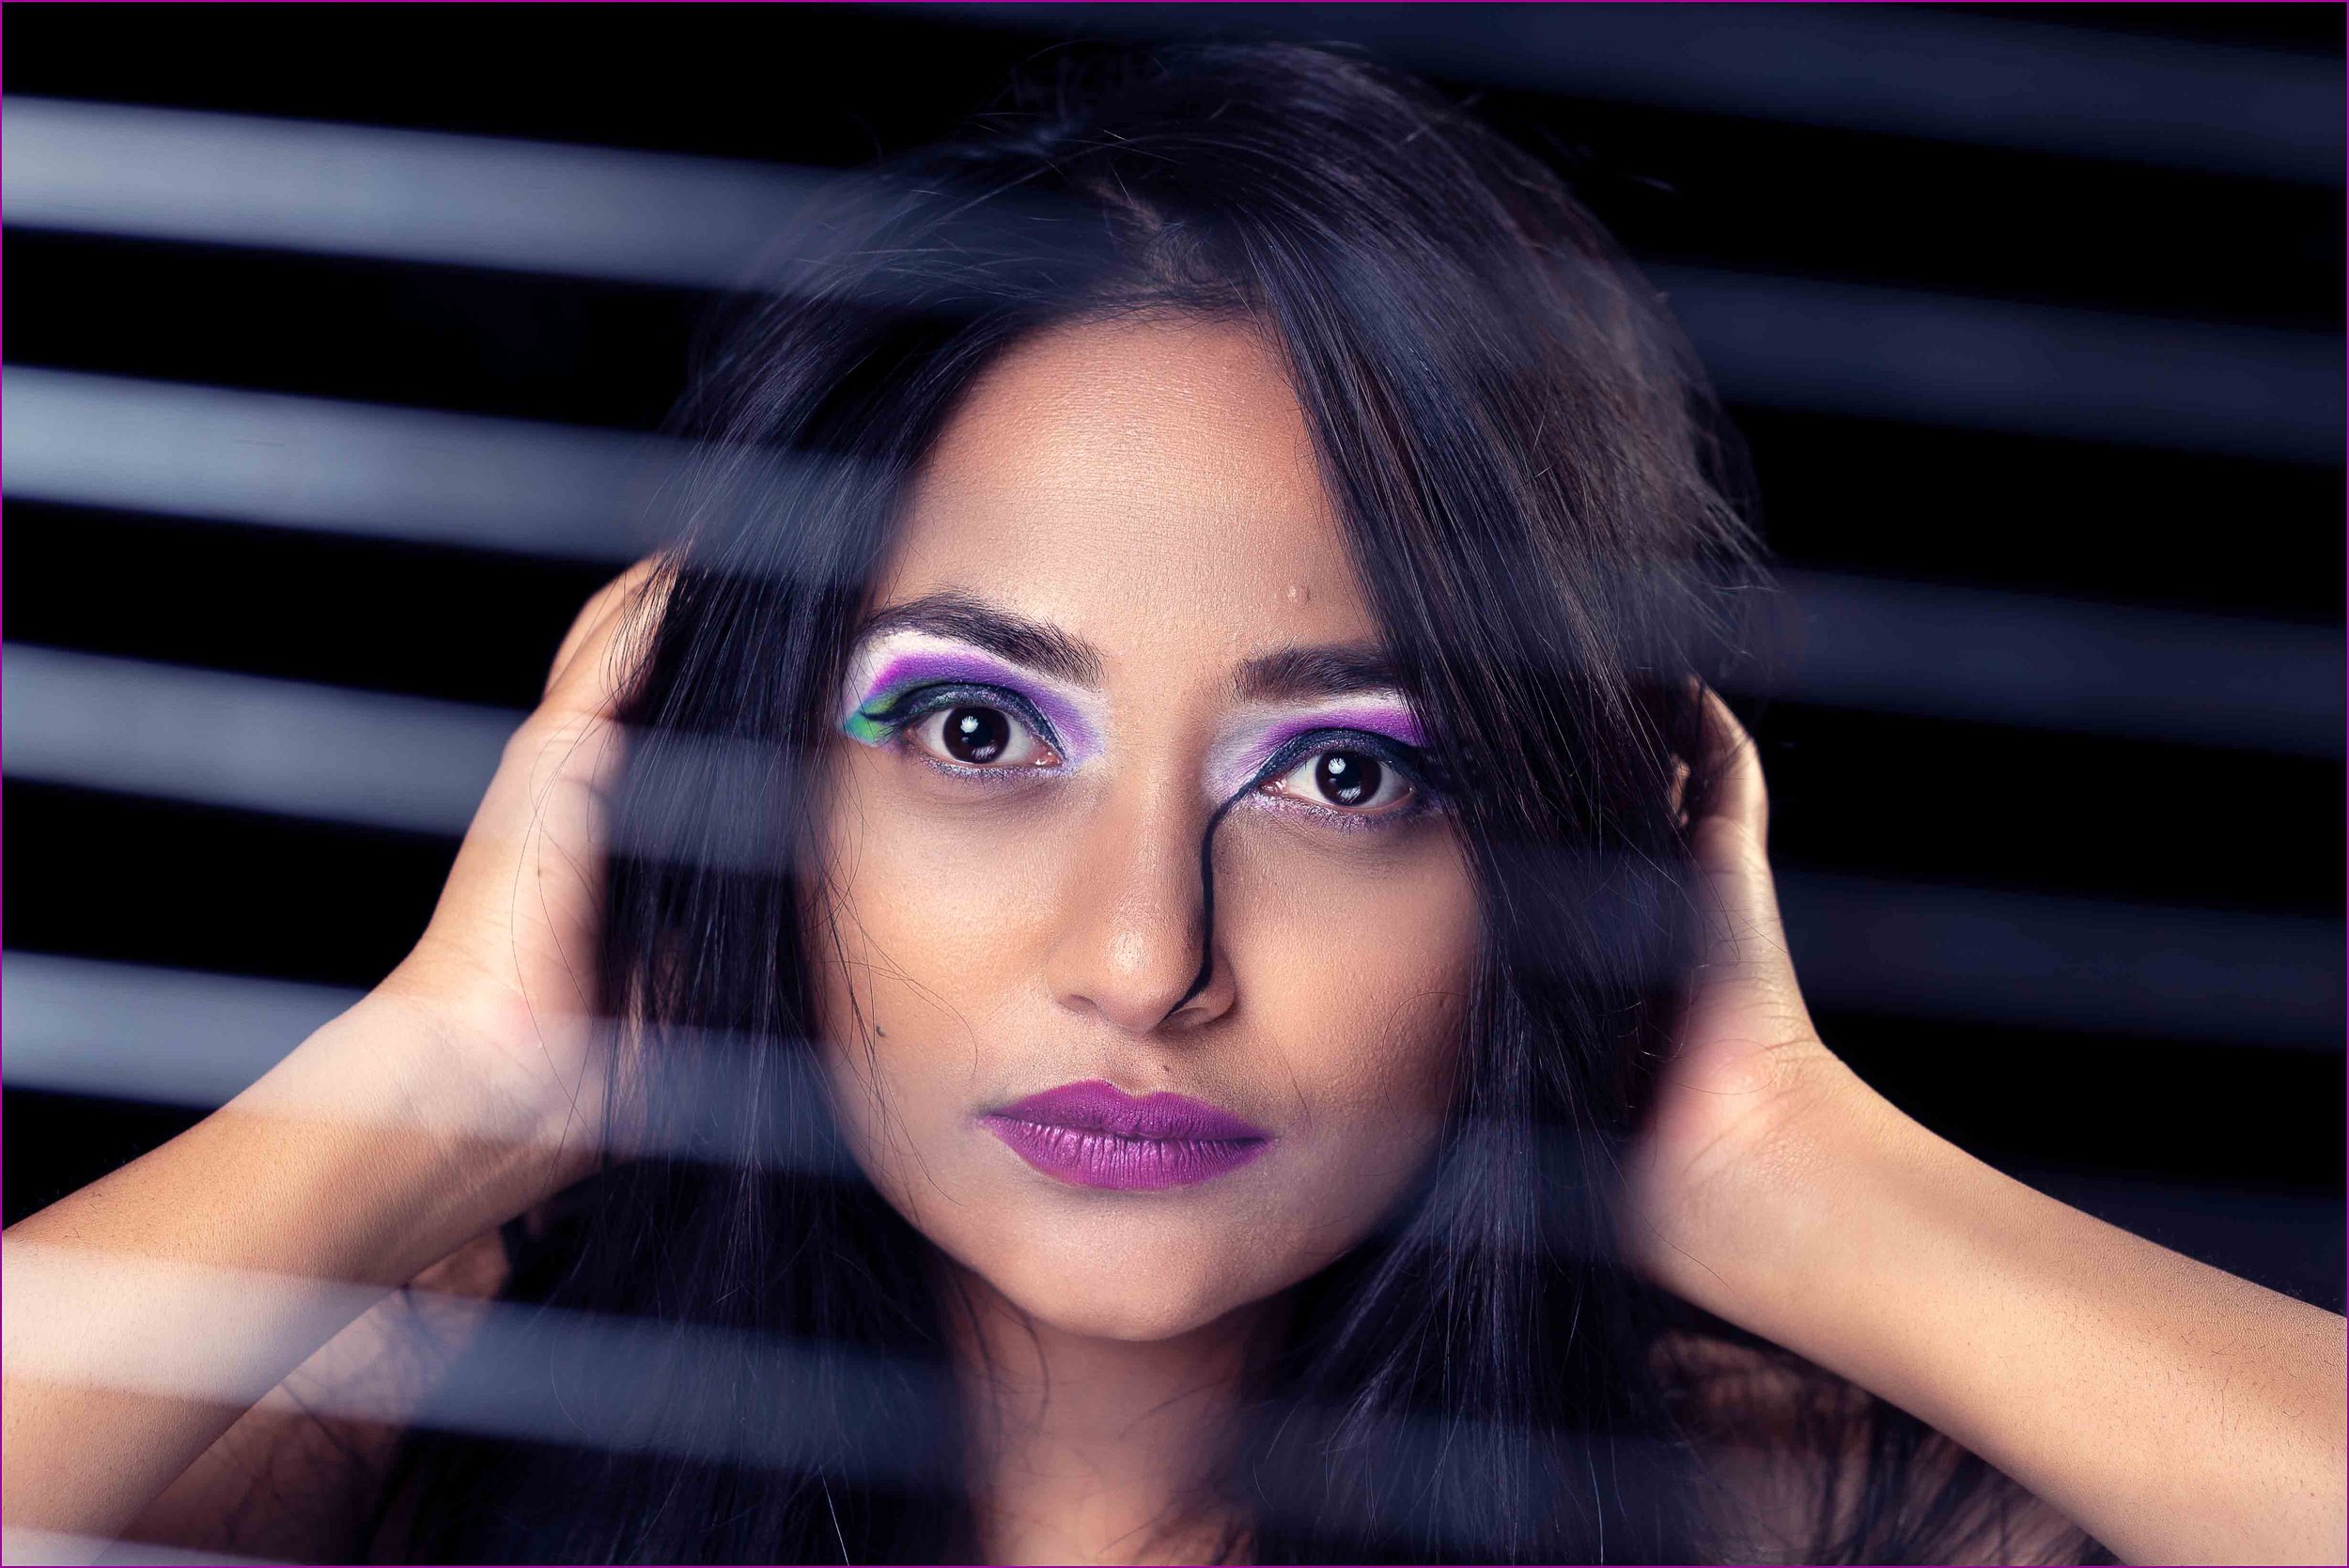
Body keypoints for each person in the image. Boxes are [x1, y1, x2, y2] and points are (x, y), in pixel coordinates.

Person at [5, 40, 2340, 1567]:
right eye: (976, 733)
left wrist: (1782, 1172)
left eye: (1343, 769)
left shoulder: (1767, 1510)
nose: (1143, 955)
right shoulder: (404, 1426)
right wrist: (438, 1085)